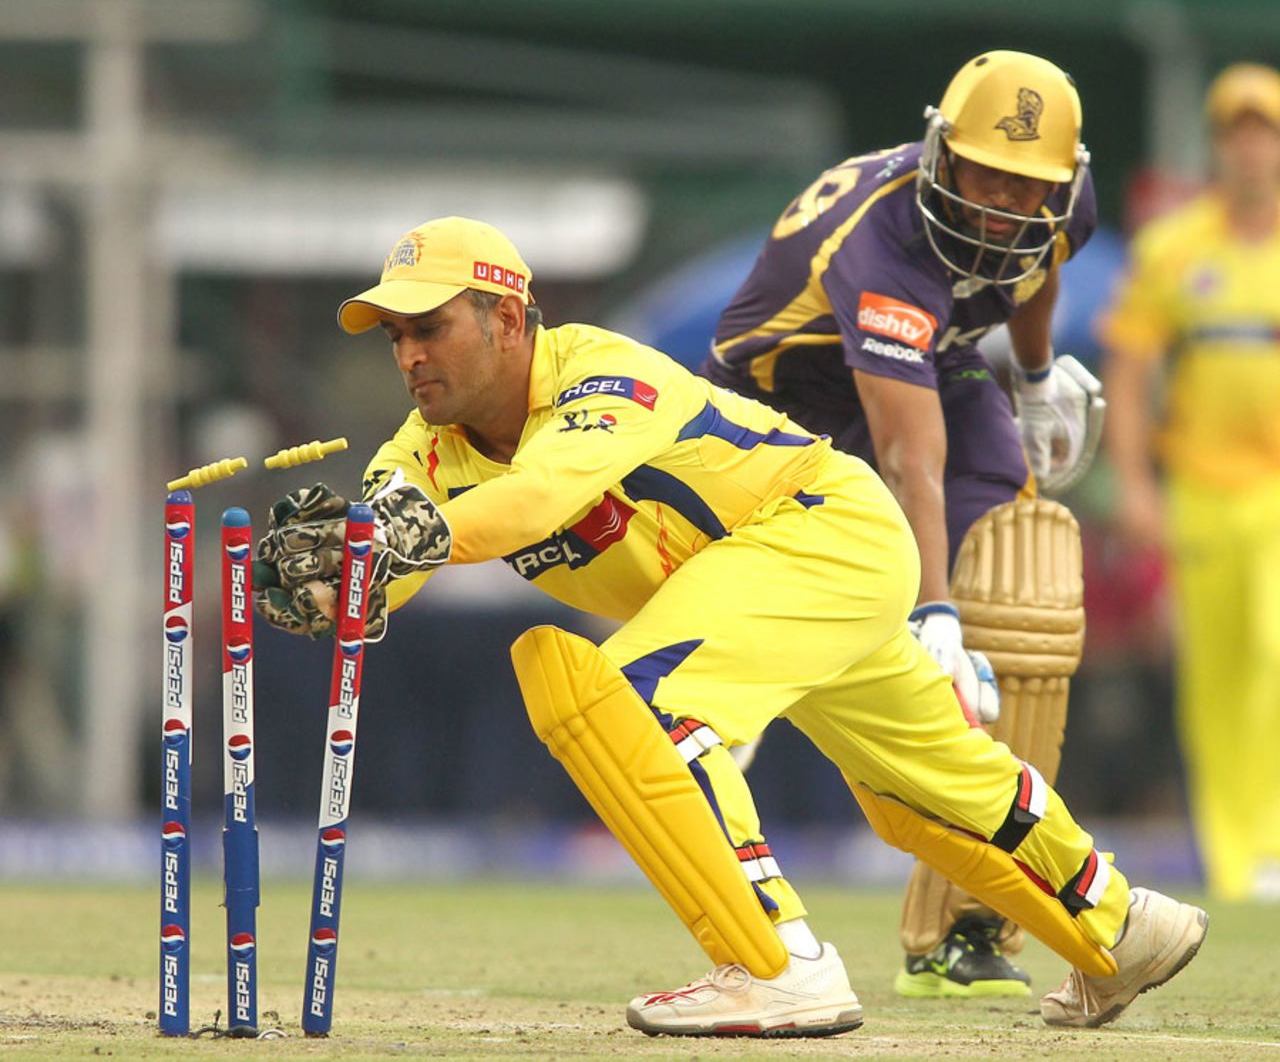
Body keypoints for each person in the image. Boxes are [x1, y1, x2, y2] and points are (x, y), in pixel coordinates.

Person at [253, 215, 1205, 1037]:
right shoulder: (419, 449)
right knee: (919, 790)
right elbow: (392, 564)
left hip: (822, 531)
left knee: (640, 701)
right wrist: (338, 584)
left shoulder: (604, 374)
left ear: (506, 318)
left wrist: (411, 540)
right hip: (756, 589)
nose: (410, 354)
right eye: (394, 337)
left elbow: (538, 498)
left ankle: (778, 962)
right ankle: (1125, 929)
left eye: (430, 327)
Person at [701, 50, 1105, 996]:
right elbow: (907, 454)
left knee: (1021, 586)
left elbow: (1035, 264)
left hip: (933, 363)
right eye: (986, 173)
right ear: (940, 153)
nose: (1006, 200)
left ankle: (963, 930)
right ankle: (729, 714)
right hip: (782, 405)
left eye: (1030, 183)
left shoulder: (1059, 208)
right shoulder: (884, 242)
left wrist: (1037, 376)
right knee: (902, 624)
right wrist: (934, 611)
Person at [1101, 62, 1280, 902]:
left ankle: (1270, 841)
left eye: (1266, 132)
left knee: (1274, 653)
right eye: (1237, 133)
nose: (1252, 149)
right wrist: (1134, 484)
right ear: (1217, 145)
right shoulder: (1175, 248)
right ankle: (1236, 862)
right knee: (1213, 677)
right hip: (1203, 488)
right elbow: (1130, 372)